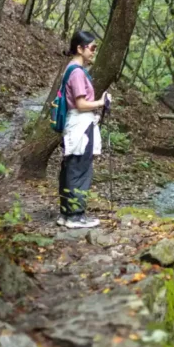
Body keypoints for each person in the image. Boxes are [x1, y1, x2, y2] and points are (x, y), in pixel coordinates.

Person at [56, 30, 110, 228]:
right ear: (80, 48)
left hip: (75, 125)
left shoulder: (71, 69)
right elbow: (81, 104)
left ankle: (66, 214)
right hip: (80, 126)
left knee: (71, 167)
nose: (94, 51)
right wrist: (101, 102)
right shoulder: (77, 72)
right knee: (80, 169)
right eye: (92, 48)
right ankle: (75, 216)